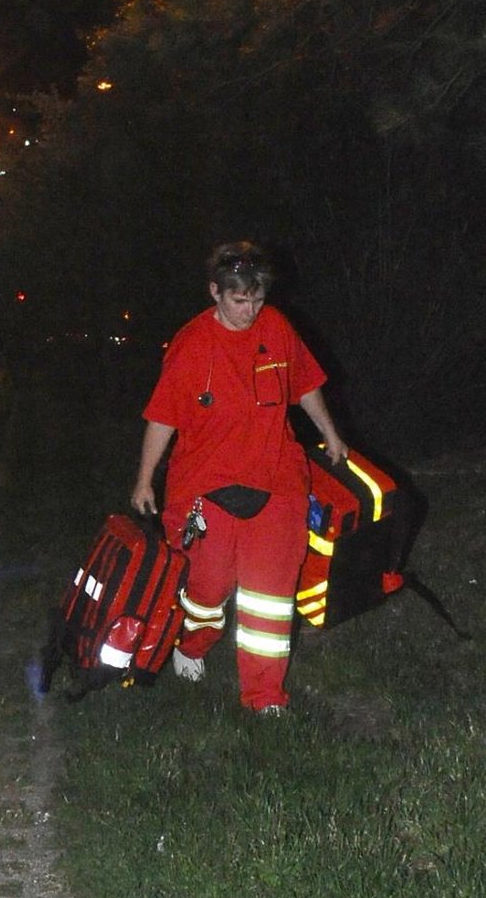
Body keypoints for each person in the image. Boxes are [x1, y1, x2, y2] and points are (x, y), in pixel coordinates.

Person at [131, 241, 349, 716]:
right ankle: (192, 645)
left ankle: (265, 696)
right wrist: (145, 480)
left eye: (257, 299)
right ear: (215, 293)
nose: (250, 311)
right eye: (238, 300)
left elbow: (305, 384)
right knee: (207, 588)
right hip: (205, 485)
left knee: (270, 597)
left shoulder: (276, 328)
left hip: (278, 479)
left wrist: (331, 434)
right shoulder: (191, 346)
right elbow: (162, 419)